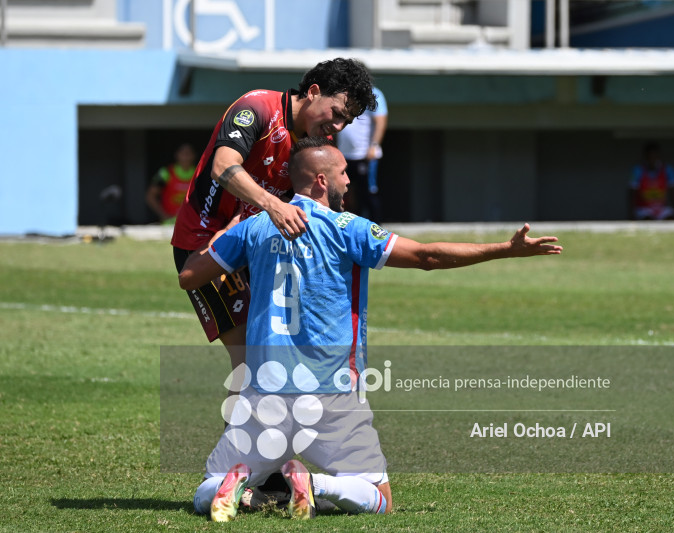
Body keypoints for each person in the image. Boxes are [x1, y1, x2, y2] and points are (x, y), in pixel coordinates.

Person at [178, 137, 562, 522]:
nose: (349, 180)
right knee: (380, 498)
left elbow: (190, 276)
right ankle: (316, 485)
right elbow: (426, 257)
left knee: (205, 489)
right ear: (322, 181)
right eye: (344, 172)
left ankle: (238, 478)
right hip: (330, 393)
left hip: (265, 392)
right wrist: (503, 250)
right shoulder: (347, 227)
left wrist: (223, 233)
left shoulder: (254, 226)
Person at [170, 58, 376, 364]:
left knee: (280, 354)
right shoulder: (257, 108)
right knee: (249, 358)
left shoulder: (318, 142)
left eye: (347, 121)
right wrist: (273, 205)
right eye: (337, 114)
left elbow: (318, 199)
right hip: (204, 240)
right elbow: (223, 166)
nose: (338, 126)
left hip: (258, 243)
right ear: (314, 91)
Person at [337, 84, 387, 220]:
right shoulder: (343, 92)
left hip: (364, 155)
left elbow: (381, 121)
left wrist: (374, 146)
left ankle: (376, 228)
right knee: (345, 192)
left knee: (368, 193)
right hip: (345, 155)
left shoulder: (374, 94)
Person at [145, 143, 197, 223]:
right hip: (169, 224)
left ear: (193, 156)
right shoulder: (166, 173)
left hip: (191, 223)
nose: (186, 157)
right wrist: (163, 215)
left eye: (188, 154)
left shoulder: (198, 173)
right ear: (177, 155)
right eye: (183, 153)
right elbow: (150, 196)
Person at [628, 142, 674, 220]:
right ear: (645, 156)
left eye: (654, 156)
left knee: (671, 219)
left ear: (658, 156)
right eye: (649, 156)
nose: (652, 159)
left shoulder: (667, 170)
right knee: (648, 220)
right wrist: (631, 213)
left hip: (661, 207)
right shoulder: (638, 170)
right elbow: (632, 193)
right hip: (644, 208)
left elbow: (673, 192)